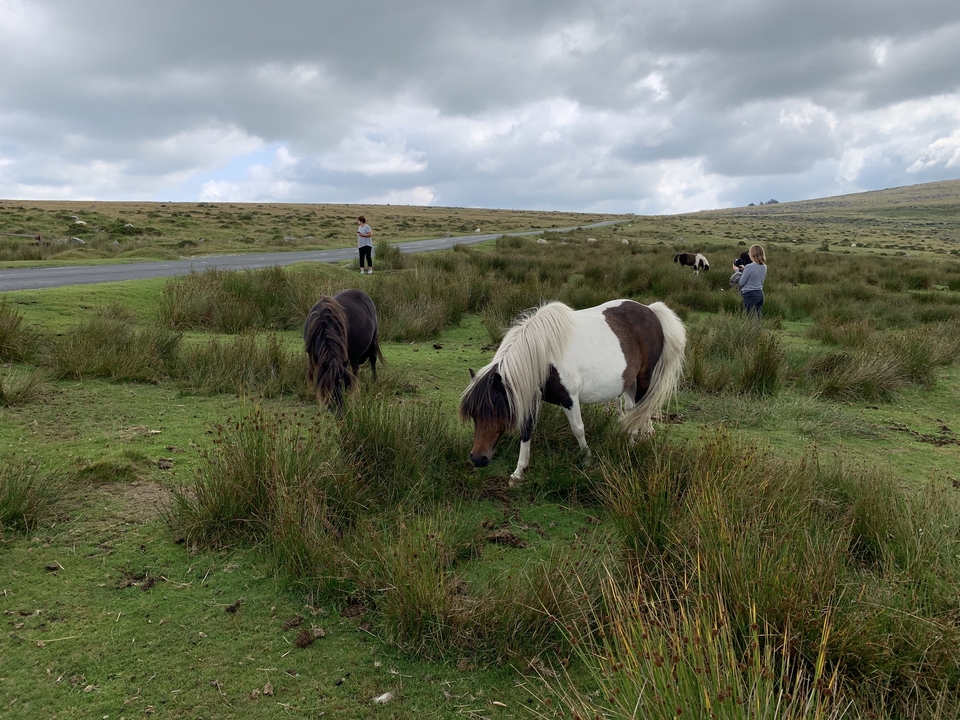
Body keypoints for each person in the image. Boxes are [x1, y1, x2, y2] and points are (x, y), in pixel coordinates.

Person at [735, 244, 766, 318]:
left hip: (749, 295)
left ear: (753, 254)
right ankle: (757, 329)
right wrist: (745, 268)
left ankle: (751, 330)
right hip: (760, 294)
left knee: (750, 319)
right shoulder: (764, 266)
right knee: (757, 318)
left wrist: (736, 271)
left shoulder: (749, 267)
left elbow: (741, 282)